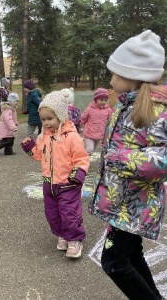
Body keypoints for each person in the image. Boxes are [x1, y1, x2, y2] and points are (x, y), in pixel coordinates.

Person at [89, 30, 166, 300]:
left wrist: (121, 159)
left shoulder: (157, 111)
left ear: (133, 75)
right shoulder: (122, 107)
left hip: (137, 206)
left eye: (115, 73)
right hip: (120, 204)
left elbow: (163, 157)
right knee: (131, 257)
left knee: (114, 262)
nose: (110, 80)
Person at [21, 90, 90, 258]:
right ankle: (63, 234)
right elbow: (39, 155)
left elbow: (82, 158)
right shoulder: (43, 137)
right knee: (52, 213)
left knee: (69, 213)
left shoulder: (71, 137)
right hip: (49, 183)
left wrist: (77, 175)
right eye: (43, 119)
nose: (46, 123)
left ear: (60, 116)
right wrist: (30, 147)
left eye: (50, 119)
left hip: (68, 183)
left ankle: (74, 239)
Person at [81, 87, 112, 154]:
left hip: (99, 135)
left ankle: (85, 158)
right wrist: (80, 124)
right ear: (96, 100)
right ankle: (83, 160)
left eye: (105, 100)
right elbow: (83, 117)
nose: (103, 102)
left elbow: (111, 119)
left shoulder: (108, 110)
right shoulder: (90, 109)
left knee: (92, 150)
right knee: (89, 149)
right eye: (101, 100)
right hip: (89, 134)